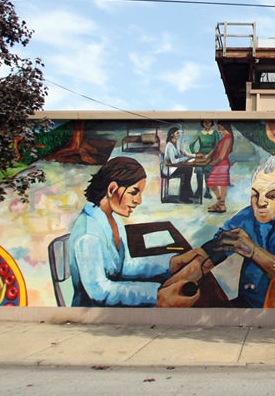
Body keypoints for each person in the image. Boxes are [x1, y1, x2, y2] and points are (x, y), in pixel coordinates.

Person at [169, 155, 275, 308]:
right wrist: (170, 286)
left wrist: (252, 251)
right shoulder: (247, 216)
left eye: (272, 196)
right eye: (255, 195)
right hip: (248, 303)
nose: (260, 203)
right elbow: (215, 251)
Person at [68, 156, 198, 307]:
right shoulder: (88, 235)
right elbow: (99, 291)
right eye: (134, 192)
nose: (139, 200)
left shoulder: (113, 220)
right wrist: (156, 295)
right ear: (112, 189)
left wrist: (171, 263)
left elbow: (126, 266)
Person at [205, 122, 234, 213]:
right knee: (212, 184)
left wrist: (212, 163)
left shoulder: (228, 138)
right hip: (219, 164)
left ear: (224, 127)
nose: (219, 131)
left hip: (222, 164)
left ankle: (221, 205)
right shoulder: (224, 138)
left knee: (221, 185)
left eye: (220, 128)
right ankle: (220, 203)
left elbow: (221, 156)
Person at [163, 126, 196, 203]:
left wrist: (196, 155)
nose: (179, 134)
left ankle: (187, 193)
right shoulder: (169, 145)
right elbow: (173, 161)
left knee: (189, 169)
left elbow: (185, 153)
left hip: (176, 167)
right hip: (169, 169)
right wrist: (184, 159)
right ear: (172, 134)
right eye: (177, 133)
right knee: (187, 170)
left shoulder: (178, 143)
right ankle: (185, 196)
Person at [188, 119, 220, 199]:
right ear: (202, 123)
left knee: (208, 174)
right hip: (201, 157)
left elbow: (217, 146)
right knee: (199, 172)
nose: (207, 123)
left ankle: (207, 192)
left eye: (209, 122)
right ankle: (199, 191)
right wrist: (196, 153)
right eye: (205, 122)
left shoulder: (215, 133)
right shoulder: (200, 133)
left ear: (211, 123)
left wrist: (210, 154)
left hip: (211, 156)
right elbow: (191, 145)